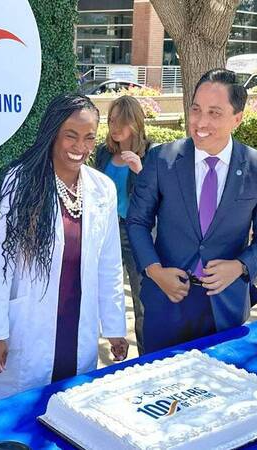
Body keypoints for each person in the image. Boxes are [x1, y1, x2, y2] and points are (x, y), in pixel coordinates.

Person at [0, 93, 128, 404]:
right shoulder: (19, 184)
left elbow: (109, 263)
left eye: (88, 138)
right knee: (20, 416)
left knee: (70, 409)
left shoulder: (102, 189)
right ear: (52, 133)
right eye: (70, 135)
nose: (80, 147)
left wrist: (114, 326)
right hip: (28, 327)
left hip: (76, 325)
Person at [127, 69, 257, 354]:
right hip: (166, 300)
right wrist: (155, 271)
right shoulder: (162, 159)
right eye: (196, 109)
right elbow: (137, 221)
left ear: (237, 118)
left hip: (225, 306)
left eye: (214, 113)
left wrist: (240, 267)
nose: (200, 122)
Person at [94, 95, 154, 355]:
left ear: (135, 121)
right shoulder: (103, 153)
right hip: (106, 232)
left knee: (142, 301)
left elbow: (159, 196)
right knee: (104, 292)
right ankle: (115, 344)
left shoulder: (152, 153)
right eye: (110, 120)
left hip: (135, 233)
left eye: (121, 120)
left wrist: (141, 171)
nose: (114, 126)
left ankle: (147, 357)